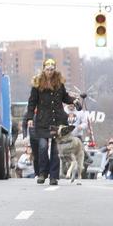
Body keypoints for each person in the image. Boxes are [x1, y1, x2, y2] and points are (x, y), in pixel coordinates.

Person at [25, 58, 80, 186]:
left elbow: (65, 97)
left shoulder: (59, 84)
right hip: (43, 121)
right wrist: (29, 118)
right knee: (43, 147)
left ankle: (53, 176)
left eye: (52, 69)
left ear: (54, 69)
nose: (50, 71)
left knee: (55, 150)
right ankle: (43, 173)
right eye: (48, 69)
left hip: (58, 120)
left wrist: (74, 100)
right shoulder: (37, 84)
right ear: (44, 69)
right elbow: (32, 102)